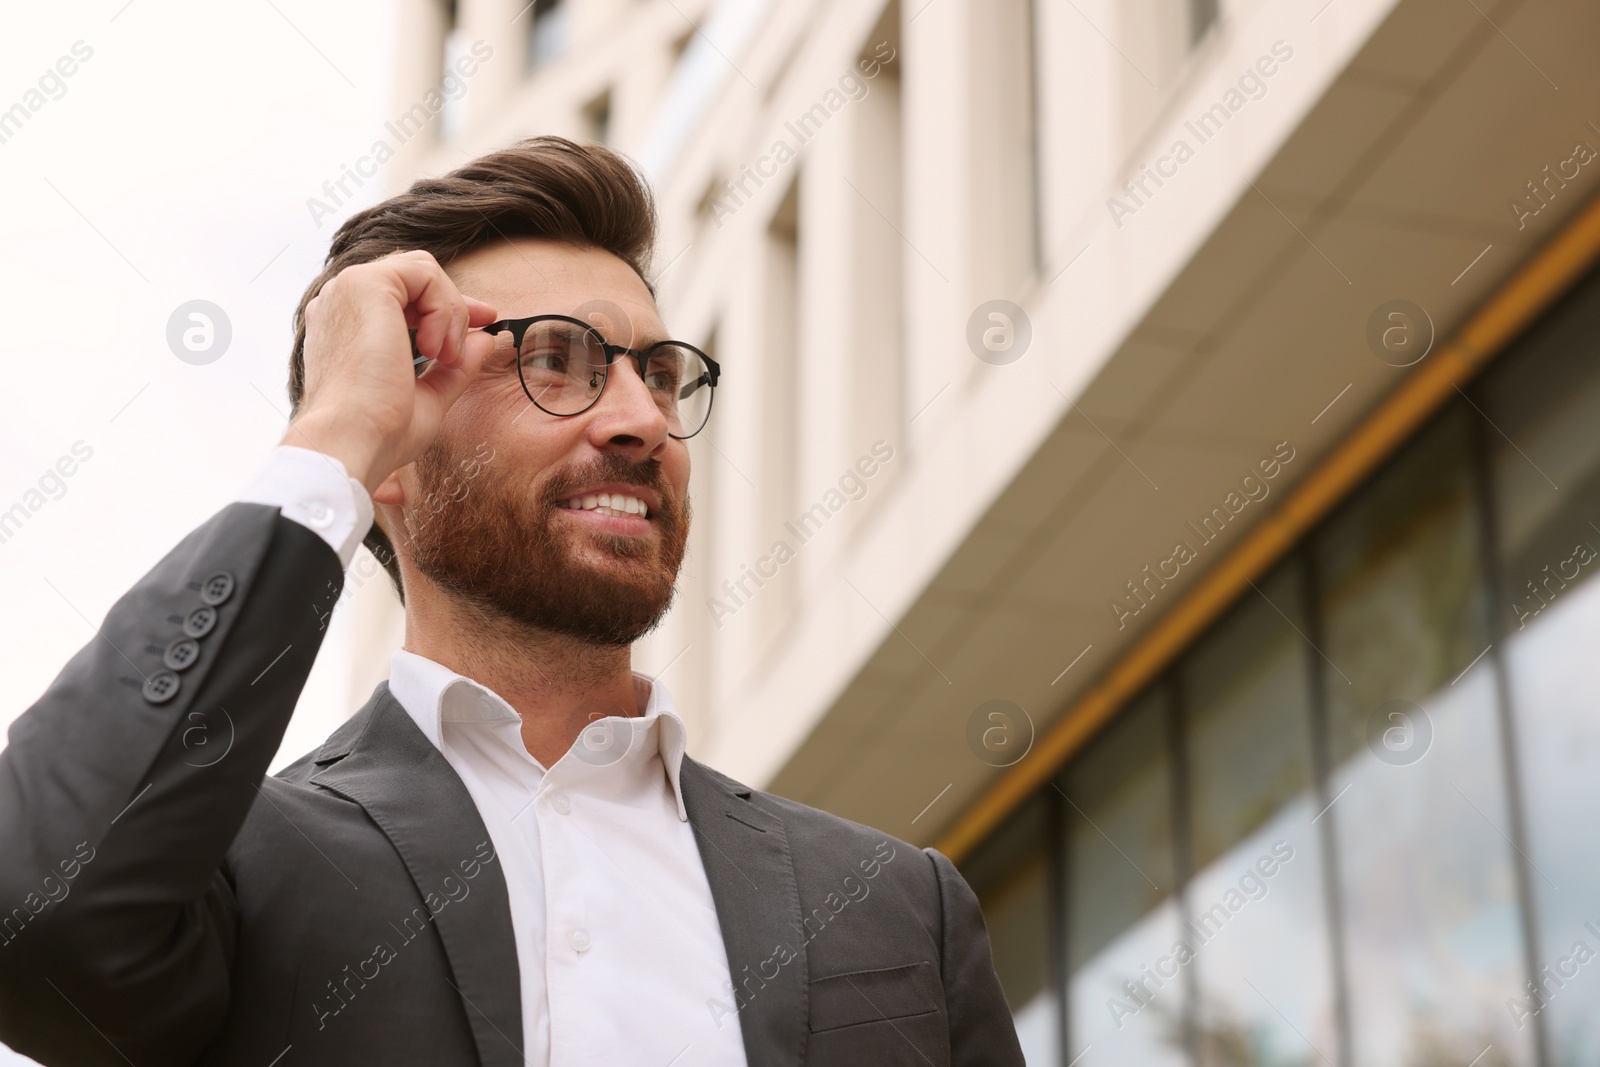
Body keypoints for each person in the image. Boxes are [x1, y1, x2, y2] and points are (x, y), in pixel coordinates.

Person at [0, 136, 1023, 1066]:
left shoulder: (899, 905)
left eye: (658, 374)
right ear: (392, 456)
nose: (640, 421)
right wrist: (337, 430)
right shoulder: (232, 878)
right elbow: (32, 912)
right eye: (552, 360)